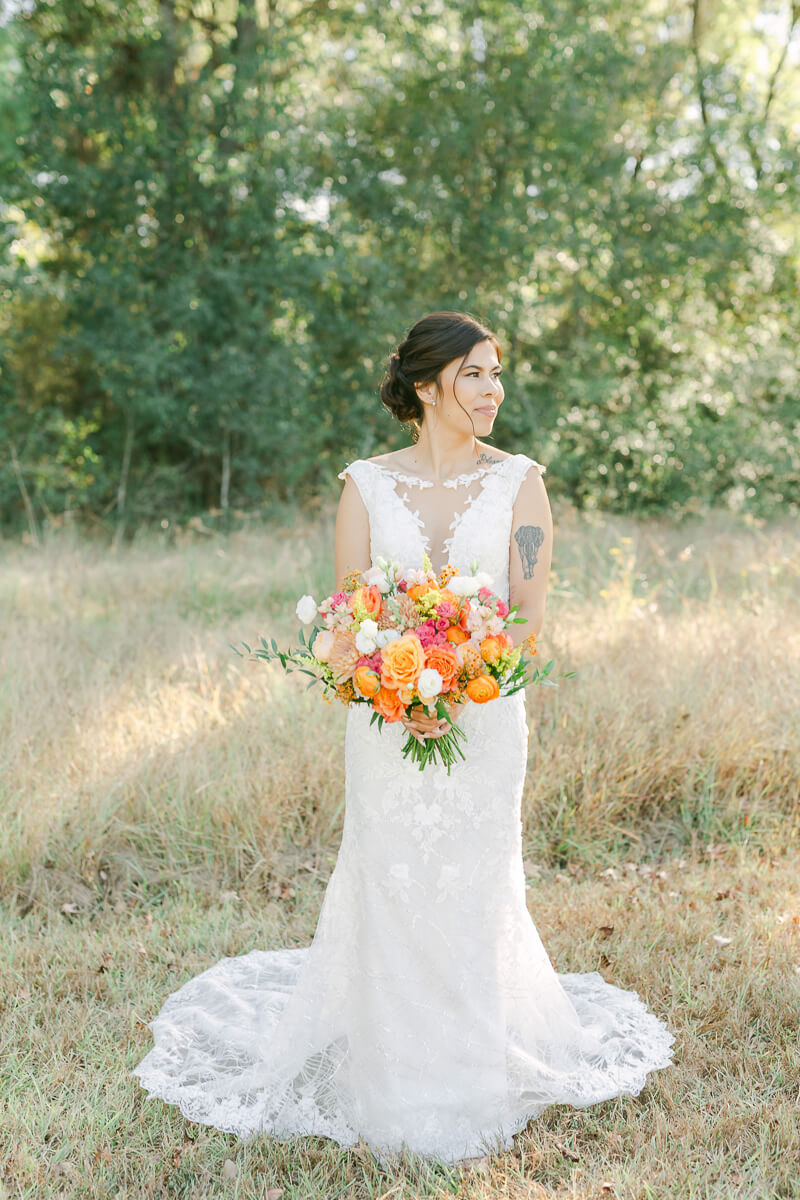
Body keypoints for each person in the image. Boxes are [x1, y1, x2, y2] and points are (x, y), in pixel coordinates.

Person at [131, 311, 675, 1164]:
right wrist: (392, 689)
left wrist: (464, 686)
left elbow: (528, 614)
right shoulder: (366, 486)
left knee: (472, 878)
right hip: (385, 722)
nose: (493, 391)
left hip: (487, 716)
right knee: (388, 876)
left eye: (497, 374)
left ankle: (466, 1071)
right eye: (474, 376)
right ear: (426, 386)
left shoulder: (521, 485)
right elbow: (351, 612)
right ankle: (389, 1072)